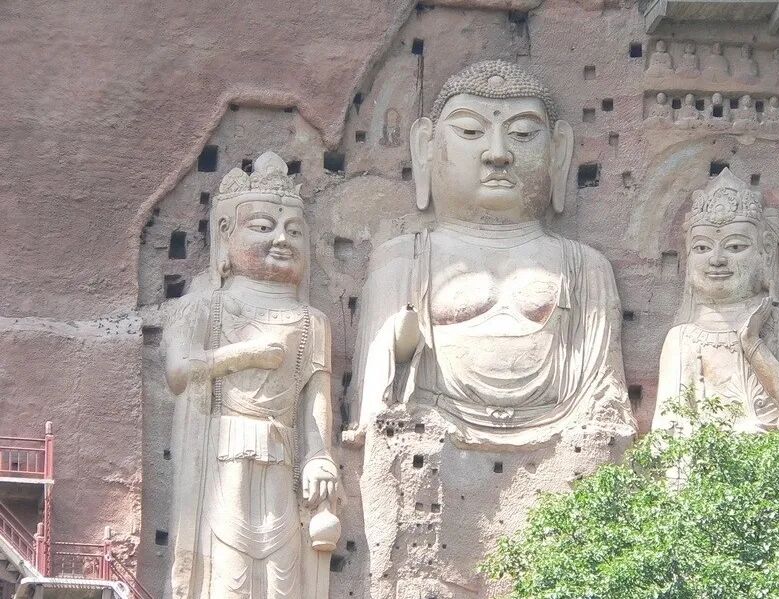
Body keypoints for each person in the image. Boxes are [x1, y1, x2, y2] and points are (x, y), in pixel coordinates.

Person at [345, 60, 635, 449]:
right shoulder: (404, 259)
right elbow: (374, 409)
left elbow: (605, 398)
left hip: (564, 442)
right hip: (429, 442)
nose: (497, 153)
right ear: (425, 147)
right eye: (470, 131)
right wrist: (400, 349)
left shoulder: (585, 268)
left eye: (523, 134)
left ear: (558, 151)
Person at [162, 152, 339, 598]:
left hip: (281, 456)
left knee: (283, 575)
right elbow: (179, 371)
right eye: (262, 226)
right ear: (226, 233)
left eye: (294, 231)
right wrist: (245, 354)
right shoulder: (203, 307)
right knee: (226, 575)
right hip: (221, 455)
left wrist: (320, 457)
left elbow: (317, 397)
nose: (281, 240)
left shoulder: (312, 321)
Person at [653, 168, 779, 436]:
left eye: (735, 246)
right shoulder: (681, 339)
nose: (716, 260)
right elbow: (666, 434)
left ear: (765, 250)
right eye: (702, 247)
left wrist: (754, 346)